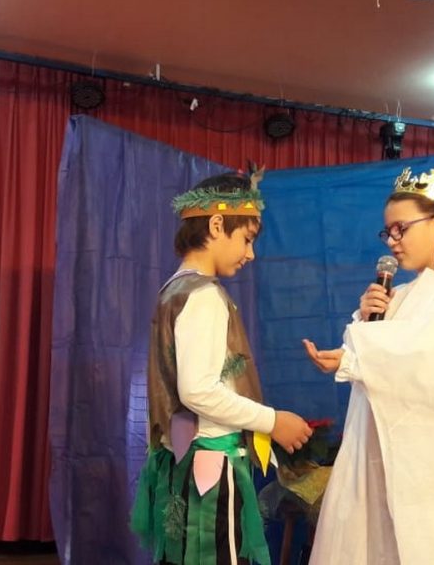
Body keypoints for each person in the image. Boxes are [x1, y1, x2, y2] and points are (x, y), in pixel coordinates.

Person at [303, 168, 434, 564]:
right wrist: (367, 320)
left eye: (401, 229)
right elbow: (386, 361)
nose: (393, 242)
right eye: (388, 233)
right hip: (383, 455)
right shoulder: (398, 294)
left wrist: (354, 358)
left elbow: (425, 362)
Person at [131, 171, 312, 565]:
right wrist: (273, 420)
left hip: (186, 461)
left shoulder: (174, 290)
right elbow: (197, 390)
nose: (251, 254)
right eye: (247, 239)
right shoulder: (204, 296)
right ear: (216, 225)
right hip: (209, 471)